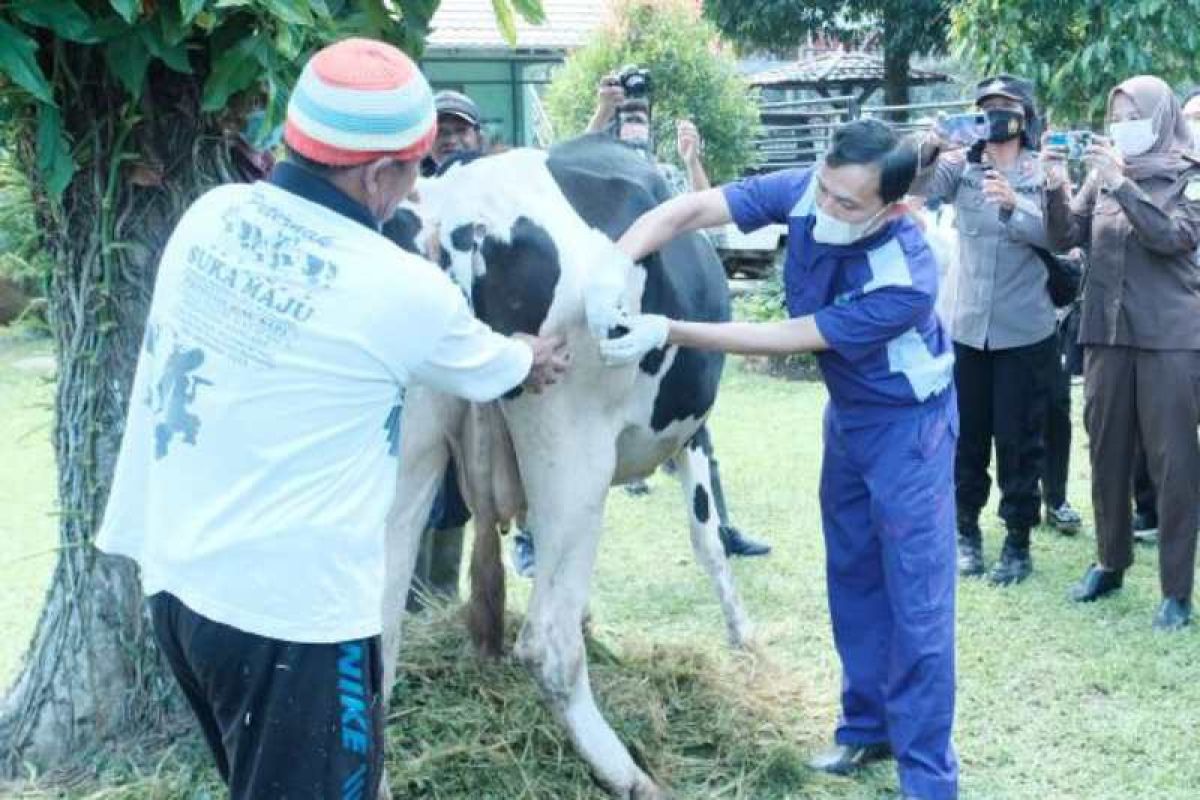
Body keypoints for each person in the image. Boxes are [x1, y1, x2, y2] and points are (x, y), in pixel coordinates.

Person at [94, 38, 569, 799]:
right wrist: (535, 352)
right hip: (296, 626)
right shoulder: (398, 286)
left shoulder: (209, 216)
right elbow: (501, 367)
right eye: (415, 168)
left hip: (180, 590)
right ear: (380, 174)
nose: (417, 186)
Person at [595, 118, 959, 800]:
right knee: (851, 571)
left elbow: (786, 336)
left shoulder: (906, 274)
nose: (827, 209)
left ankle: (929, 775)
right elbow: (694, 208)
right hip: (849, 416)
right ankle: (865, 727)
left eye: (848, 204)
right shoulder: (807, 191)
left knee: (917, 595)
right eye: (825, 189)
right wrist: (618, 260)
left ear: (895, 207)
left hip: (910, 428)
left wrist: (666, 329)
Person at [508, 72, 770, 574]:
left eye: (640, 116)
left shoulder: (663, 172)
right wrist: (599, 114)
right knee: (553, 427)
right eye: (627, 116)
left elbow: (707, 210)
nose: (635, 124)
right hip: (597, 318)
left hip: (670, 314)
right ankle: (531, 537)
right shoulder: (594, 169)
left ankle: (721, 528)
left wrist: (692, 159)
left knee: (695, 429)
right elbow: (556, 169)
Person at [1043, 75, 1200, 631]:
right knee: (1106, 451)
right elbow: (1066, 236)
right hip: (1105, 335)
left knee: (1172, 463)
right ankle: (1110, 562)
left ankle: (1176, 591)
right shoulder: (1102, 177)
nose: (1121, 127)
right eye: (1116, 116)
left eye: (1133, 115)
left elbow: (1174, 237)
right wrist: (1056, 185)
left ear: (1159, 118)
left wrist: (1124, 186)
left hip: (1169, 339)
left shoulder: (1189, 177)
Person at [911, 75, 1058, 584]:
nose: (994, 116)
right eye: (985, 108)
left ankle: (1018, 542)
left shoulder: (1043, 171)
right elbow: (915, 192)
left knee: (1021, 441)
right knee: (965, 439)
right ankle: (965, 534)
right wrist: (928, 150)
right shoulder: (959, 168)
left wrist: (1017, 206)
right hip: (967, 326)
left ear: (1023, 116)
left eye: (1004, 107)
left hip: (1024, 329)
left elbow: (1062, 234)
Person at [423, 89, 485, 176]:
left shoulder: (501, 183)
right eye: (440, 132)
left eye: (461, 130)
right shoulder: (415, 187)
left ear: (479, 138)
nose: (451, 140)